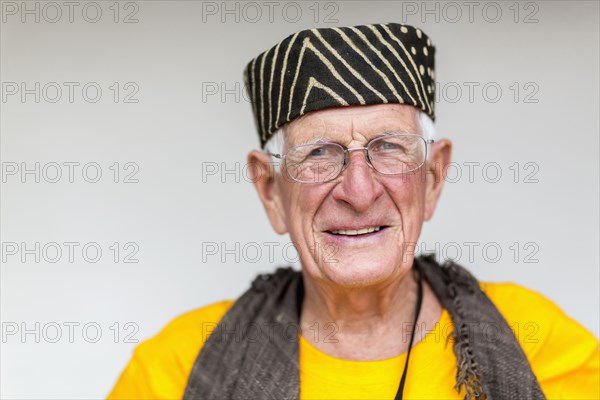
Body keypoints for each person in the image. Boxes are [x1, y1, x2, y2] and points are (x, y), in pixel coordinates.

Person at [108, 23, 599, 399]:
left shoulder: (540, 346)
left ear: (431, 179)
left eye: (389, 148)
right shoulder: (176, 369)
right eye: (318, 154)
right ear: (271, 191)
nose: (359, 192)